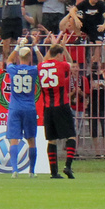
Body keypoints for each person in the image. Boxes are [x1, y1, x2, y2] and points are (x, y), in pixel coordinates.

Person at [37, 43, 76, 179]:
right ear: (59, 54)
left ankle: (53, 172)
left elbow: (44, 60)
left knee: (51, 140)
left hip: (47, 107)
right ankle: (68, 166)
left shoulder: (41, 66)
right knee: (71, 135)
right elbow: (72, 64)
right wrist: (64, 46)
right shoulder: (61, 65)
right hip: (62, 105)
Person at [3, 47, 40, 177]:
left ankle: (14, 170)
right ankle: (32, 171)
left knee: (14, 139)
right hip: (29, 107)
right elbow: (42, 64)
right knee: (31, 139)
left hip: (15, 107)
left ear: (19, 57)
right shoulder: (33, 70)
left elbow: (8, 60)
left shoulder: (13, 69)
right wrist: (35, 48)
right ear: (30, 57)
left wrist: (16, 47)